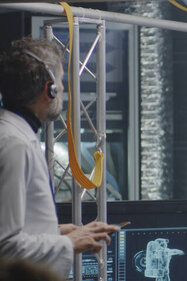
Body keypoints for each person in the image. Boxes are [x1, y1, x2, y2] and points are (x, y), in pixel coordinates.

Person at [0, 37, 120, 277]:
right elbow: (6, 249)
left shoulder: (15, 134)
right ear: (50, 89)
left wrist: (54, 233)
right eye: (62, 82)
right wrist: (69, 242)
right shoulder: (14, 144)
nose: (63, 89)